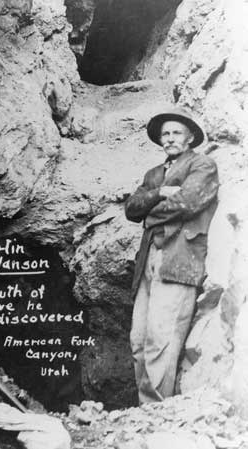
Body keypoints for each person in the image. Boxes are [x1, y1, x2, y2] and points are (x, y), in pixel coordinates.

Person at [125, 108, 219, 404]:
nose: (170, 138)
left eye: (176, 132)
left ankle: (155, 408)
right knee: (138, 339)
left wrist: (151, 217)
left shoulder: (202, 165)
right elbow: (131, 208)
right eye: (165, 134)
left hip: (179, 258)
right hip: (149, 261)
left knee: (161, 338)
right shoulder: (154, 174)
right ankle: (145, 407)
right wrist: (160, 192)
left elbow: (188, 202)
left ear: (190, 137)